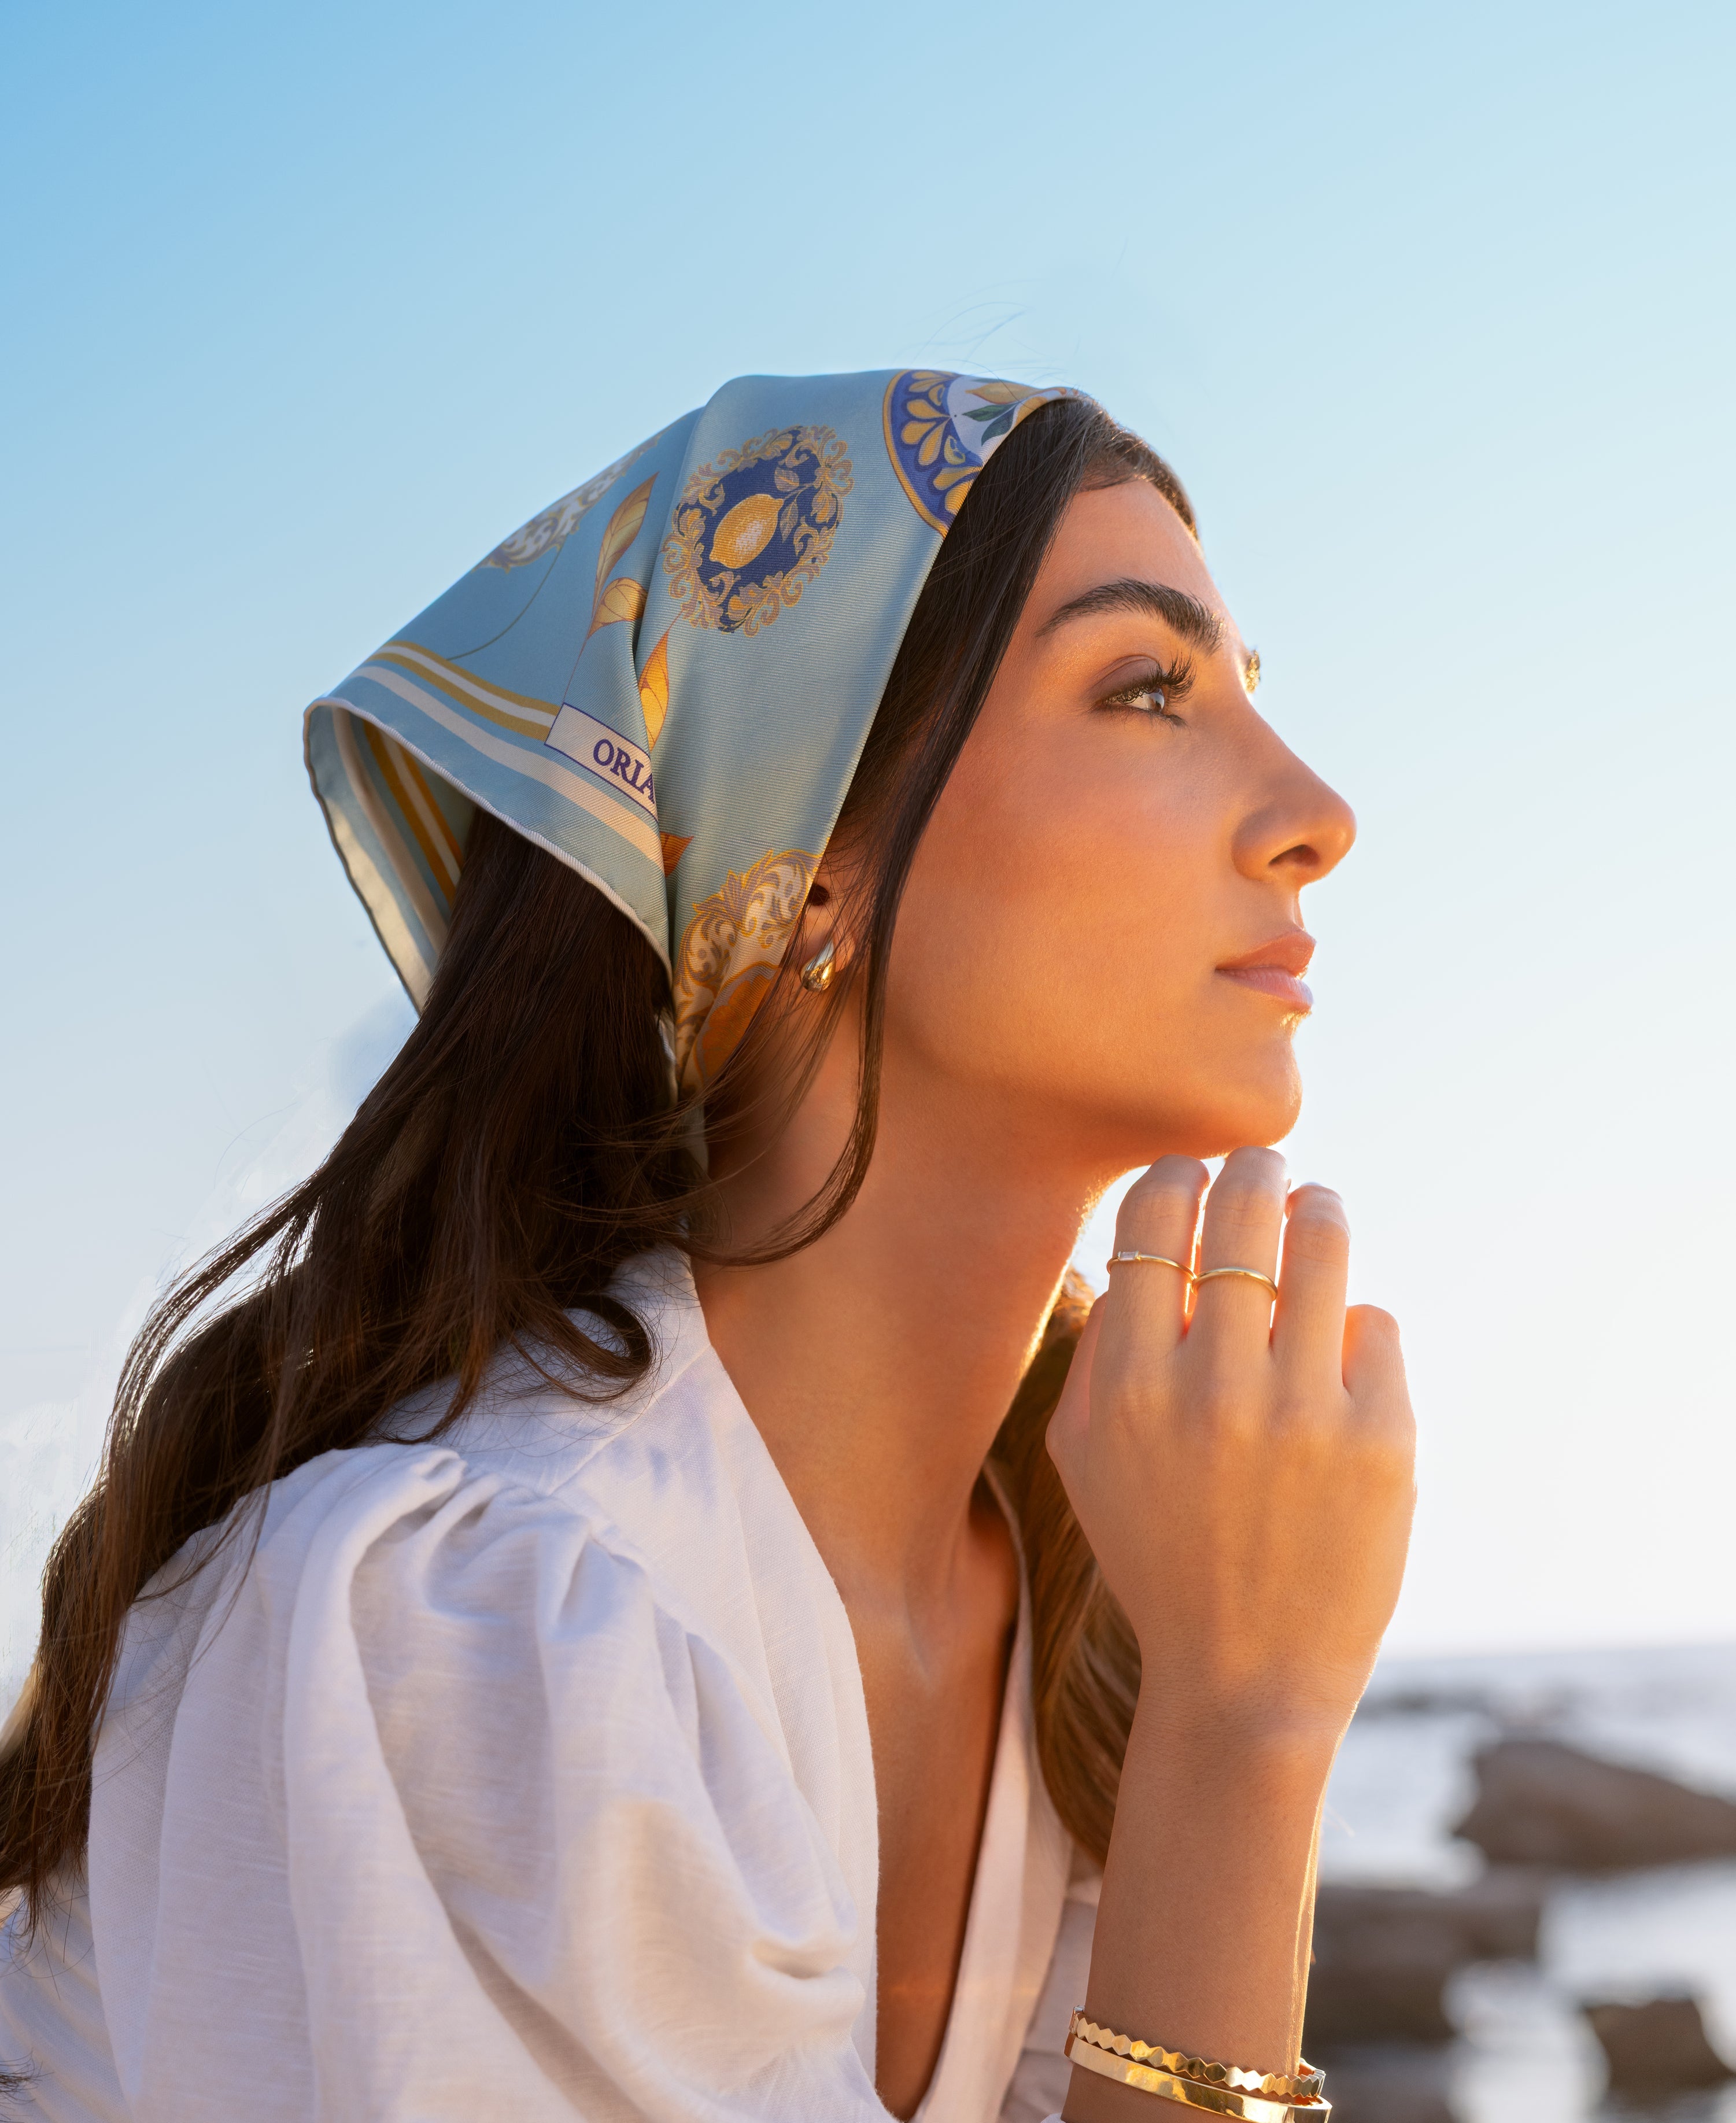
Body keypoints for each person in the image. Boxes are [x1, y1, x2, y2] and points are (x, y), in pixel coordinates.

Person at [0, 370, 1415, 2122]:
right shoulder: (480, 1621)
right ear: (805, 855)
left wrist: (1218, 1703)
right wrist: (1245, 1732)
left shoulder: (1073, 1610)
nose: (1317, 813)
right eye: (1147, 690)